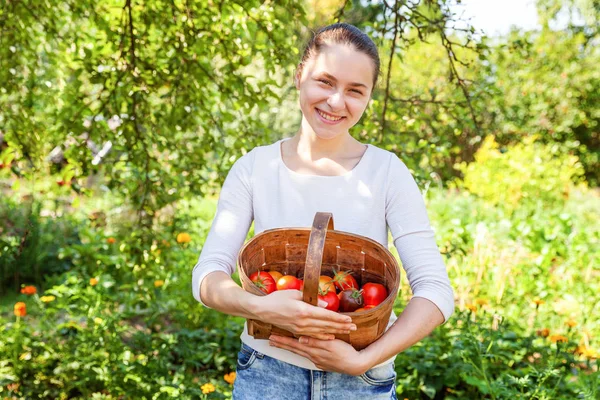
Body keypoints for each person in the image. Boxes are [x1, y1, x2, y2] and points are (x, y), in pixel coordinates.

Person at [192, 22, 454, 399]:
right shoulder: (255, 168)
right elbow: (207, 275)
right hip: (269, 375)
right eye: (325, 82)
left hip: (362, 382)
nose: (336, 102)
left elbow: (436, 292)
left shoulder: (386, 172)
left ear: (368, 98)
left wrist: (362, 361)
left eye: (354, 91)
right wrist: (259, 307)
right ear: (300, 75)